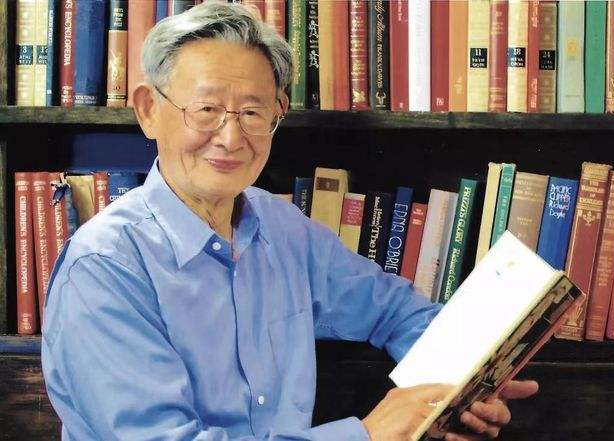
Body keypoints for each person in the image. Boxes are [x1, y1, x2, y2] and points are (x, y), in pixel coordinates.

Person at [41, 3, 538, 440]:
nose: (231, 137)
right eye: (207, 109)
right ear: (149, 110)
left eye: (252, 113)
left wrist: (461, 386)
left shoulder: (283, 228)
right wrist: (368, 435)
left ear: (277, 113)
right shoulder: (103, 268)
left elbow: (395, 311)